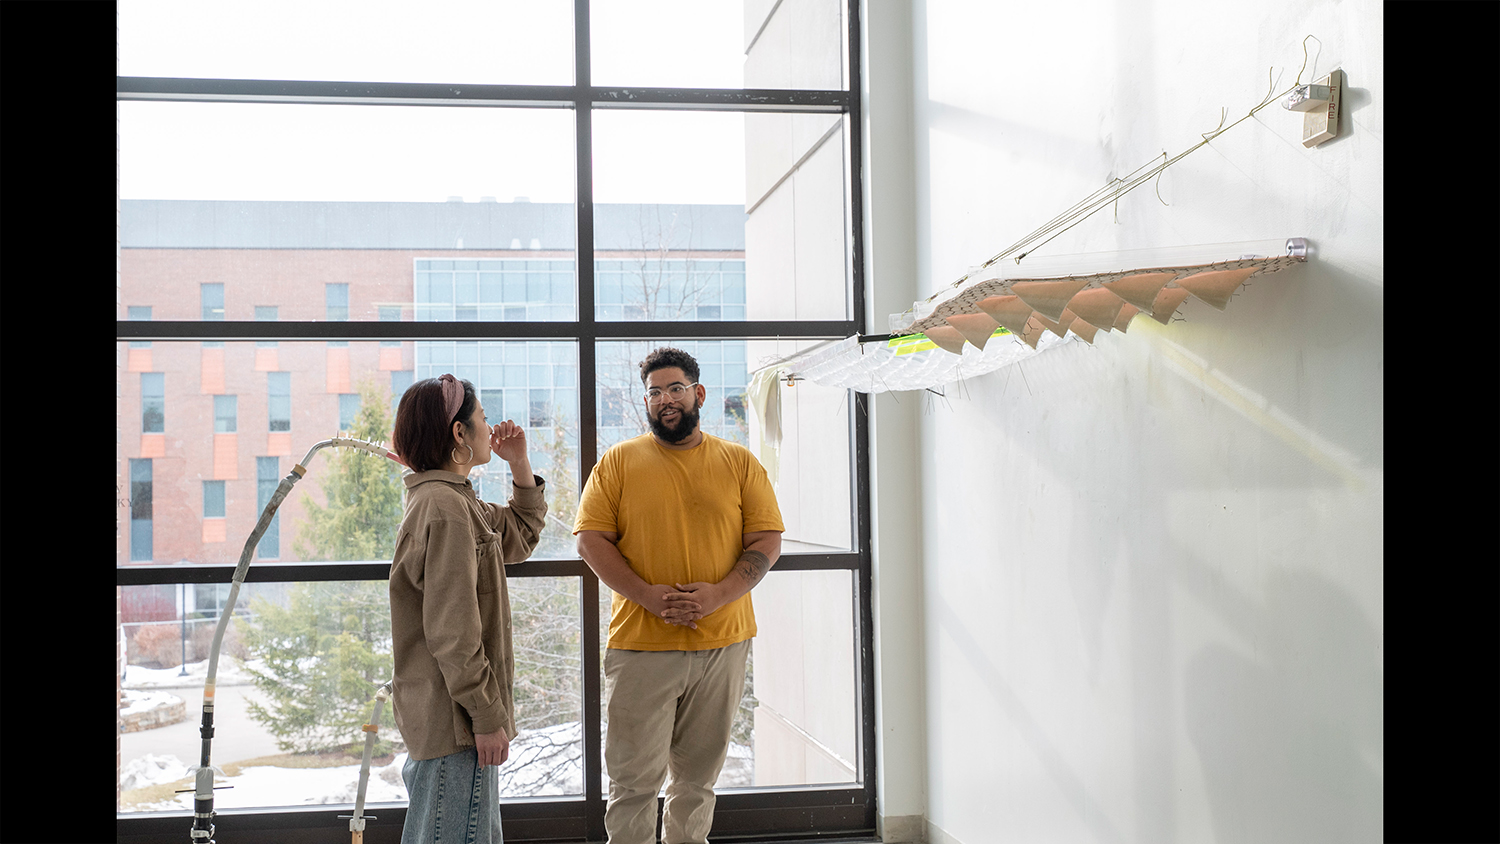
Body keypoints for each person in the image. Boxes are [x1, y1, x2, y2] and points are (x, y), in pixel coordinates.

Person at [574, 347, 785, 844]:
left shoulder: (739, 462)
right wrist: (646, 595)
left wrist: (720, 594)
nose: (664, 400)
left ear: (698, 394)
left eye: (674, 389)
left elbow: (766, 541)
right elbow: (589, 540)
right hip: (641, 646)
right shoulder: (619, 462)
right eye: (653, 392)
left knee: (697, 782)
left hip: (723, 644)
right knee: (632, 784)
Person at [388, 373, 547, 844]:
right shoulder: (445, 509)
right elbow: (452, 632)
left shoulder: (454, 501)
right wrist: (486, 716)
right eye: (480, 418)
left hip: (450, 722)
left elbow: (520, 534)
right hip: (456, 725)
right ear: (459, 434)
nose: (488, 425)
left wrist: (519, 463)